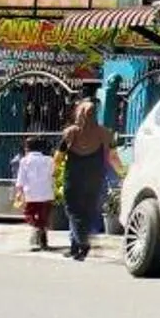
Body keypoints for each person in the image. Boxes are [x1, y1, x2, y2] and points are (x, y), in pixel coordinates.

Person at [57, 102, 115, 263]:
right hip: (95, 177)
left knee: (73, 211)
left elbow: (59, 155)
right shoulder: (105, 133)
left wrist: (53, 172)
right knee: (87, 212)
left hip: (74, 178)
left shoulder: (71, 133)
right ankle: (75, 248)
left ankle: (83, 242)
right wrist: (122, 172)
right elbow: (113, 156)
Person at [13, 135, 55, 251]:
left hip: (31, 194)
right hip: (47, 193)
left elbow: (21, 179)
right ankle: (42, 237)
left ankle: (37, 230)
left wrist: (19, 193)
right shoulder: (49, 160)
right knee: (44, 217)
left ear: (27, 148)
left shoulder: (24, 161)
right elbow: (53, 175)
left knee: (29, 214)